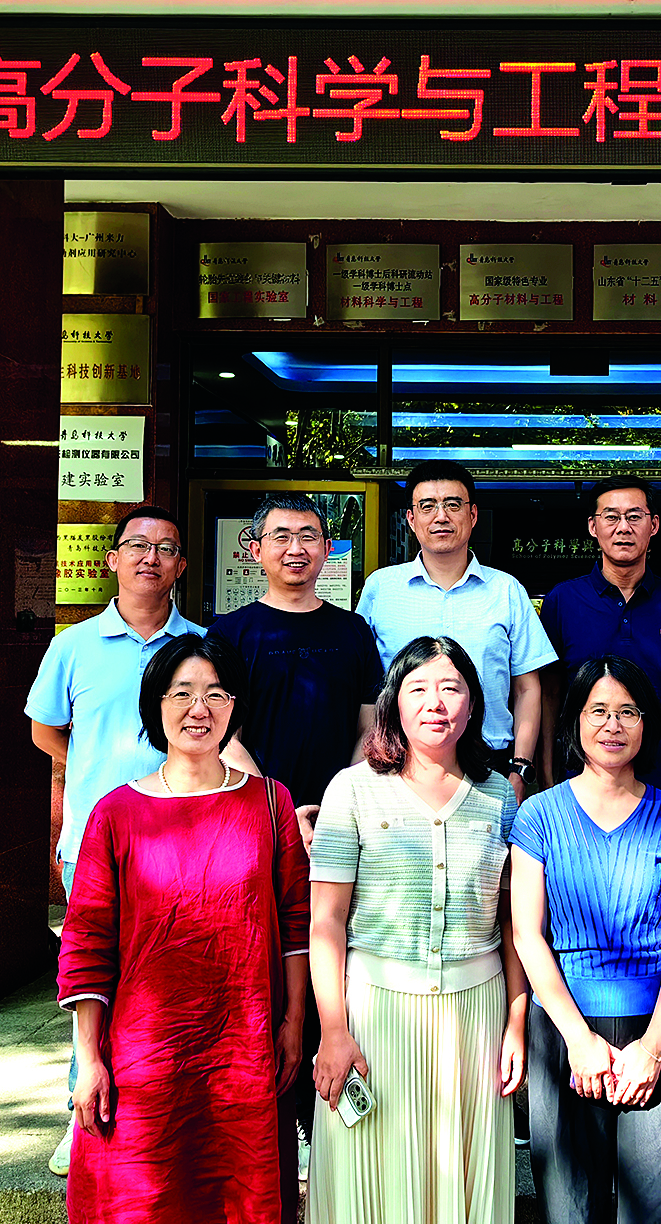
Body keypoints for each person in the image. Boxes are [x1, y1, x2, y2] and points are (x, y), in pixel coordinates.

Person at [56, 632, 310, 1224]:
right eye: (183, 693)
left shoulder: (269, 803)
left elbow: (296, 923)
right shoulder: (116, 813)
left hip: (244, 1046)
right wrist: (88, 1058)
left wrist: (294, 1021)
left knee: (239, 1195)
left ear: (234, 707)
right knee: (146, 1197)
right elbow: (87, 941)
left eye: (216, 694)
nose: (200, 709)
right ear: (157, 704)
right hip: (145, 1054)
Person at [305, 636, 527, 1224]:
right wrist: (333, 1030)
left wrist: (516, 1023)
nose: (436, 703)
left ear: (474, 705)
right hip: (373, 1015)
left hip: (475, 1018)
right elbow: (325, 921)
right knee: (369, 1180)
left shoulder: (499, 797)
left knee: (463, 1178)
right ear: (393, 704)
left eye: (452, 688)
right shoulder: (351, 789)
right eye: (418, 688)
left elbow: (513, 923)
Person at [209, 490, 383, 1181]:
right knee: (268, 968)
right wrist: (281, 808)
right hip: (256, 824)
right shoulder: (230, 631)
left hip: (342, 826)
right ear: (254, 549)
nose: (296, 548)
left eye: (309, 535)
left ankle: (333, 1115)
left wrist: (338, 804)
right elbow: (219, 730)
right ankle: (271, 1121)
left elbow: (371, 724)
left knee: (334, 961)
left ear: (328, 548)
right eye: (281, 535)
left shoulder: (352, 630)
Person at [26, 503, 203, 1176]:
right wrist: (94, 777)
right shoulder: (73, 645)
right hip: (95, 845)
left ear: (181, 565)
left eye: (166, 547)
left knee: (172, 982)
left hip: (184, 843)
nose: (150, 557)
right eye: (138, 545)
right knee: (93, 983)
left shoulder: (200, 645)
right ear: (113, 559)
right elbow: (45, 730)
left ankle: (168, 1111)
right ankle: (83, 1118)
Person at [510, 656, 661, 1224]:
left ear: (647, 723)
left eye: (628, 712)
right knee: (570, 1208)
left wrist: (653, 1049)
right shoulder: (539, 816)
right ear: (575, 720)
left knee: (655, 1208)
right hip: (563, 1031)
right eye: (598, 711)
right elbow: (527, 933)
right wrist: (579, 1040)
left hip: (655, 1029)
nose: (613, 725)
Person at [357, 462, 556, 799]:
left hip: (490, 766)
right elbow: (364, 687)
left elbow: (527, 688)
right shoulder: (381, 588)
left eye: (452, 504)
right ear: (411, 519)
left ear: (473, 515)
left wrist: (520, 769)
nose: (441, 516)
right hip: (398, 765)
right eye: (427, 506)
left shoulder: (506, 590)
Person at [539, 476, 661, 822]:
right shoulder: (563, 601)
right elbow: (549, 697)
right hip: (581, 785)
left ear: (654, 525)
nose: (623, 528)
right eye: (611, 517)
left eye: (634, 516)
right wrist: (546, 779)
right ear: (593, 526)